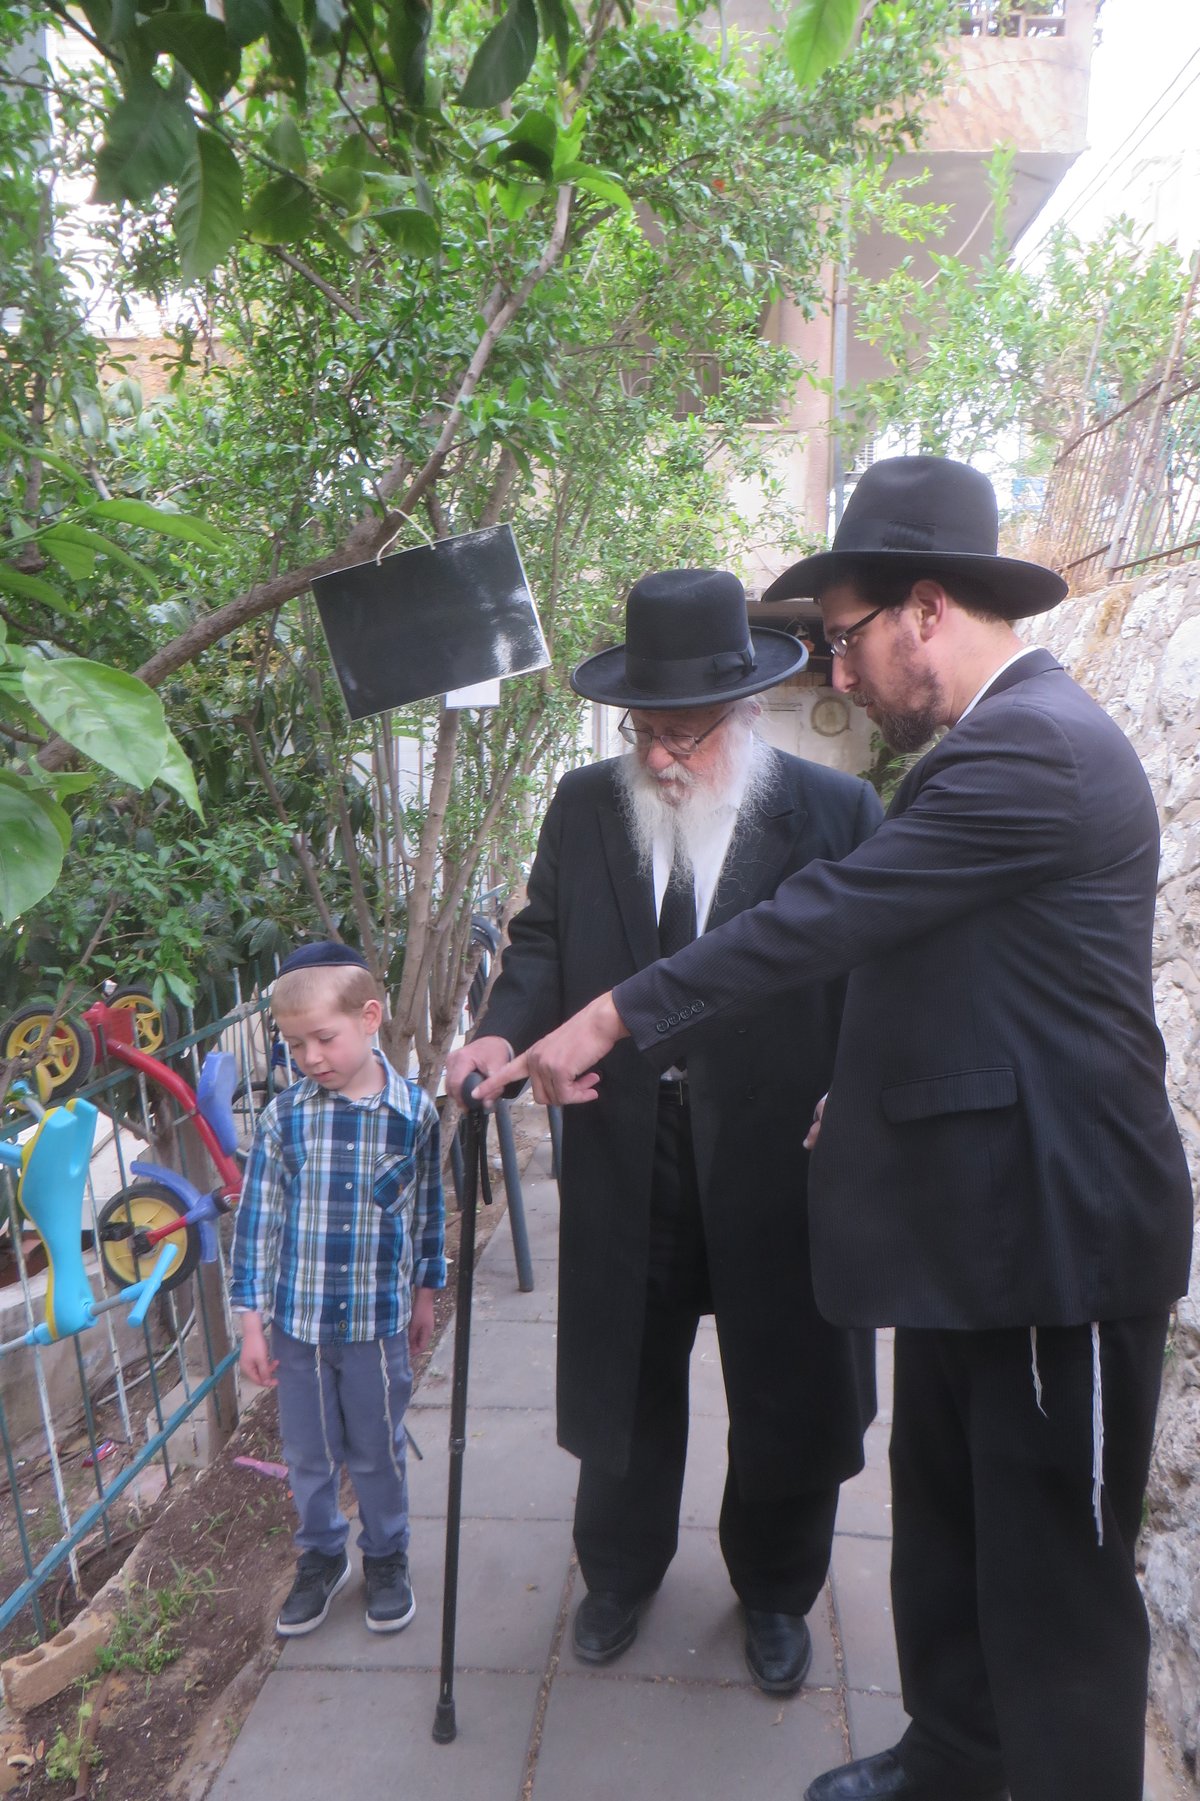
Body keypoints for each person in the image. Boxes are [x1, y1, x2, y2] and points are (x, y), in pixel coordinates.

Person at [479, 459, 1194, 1801]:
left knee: (1052, 1587)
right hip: (961, 1228)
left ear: (927, 609)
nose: (840, 675)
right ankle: (953, 1759)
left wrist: (605, 1020)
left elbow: (831, 922)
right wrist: (850, 1080)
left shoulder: (1037, 747)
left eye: (845, 637)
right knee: (948, 1536)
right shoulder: (980, 745)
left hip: (1058, 1237)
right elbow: (936, 971)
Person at [448, 568, 882, 1695]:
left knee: (786, 1374)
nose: (659, 755)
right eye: (643, 730)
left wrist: (857, 1094)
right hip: (625, 1139)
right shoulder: (584, 803)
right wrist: (501, 1032)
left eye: (682, 734)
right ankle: (621, 1570)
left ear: (743, 715)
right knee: (624, 1374)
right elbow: (540, 938)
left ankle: (779, 1588)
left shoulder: (831, 815)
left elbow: (878, 980)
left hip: (779, 1152)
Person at [231, 942, 445, 1639]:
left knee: (377, 1449)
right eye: (295, 1044)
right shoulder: (285, 1118)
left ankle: (385, 1554)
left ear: (370, 1016)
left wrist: (424, 1294)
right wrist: (251, 1321)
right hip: (299, 1324)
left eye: (324, 1037)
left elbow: (428, 1213)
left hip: (378, 1326)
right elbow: (257, 1220)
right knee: (308, 1452)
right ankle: (322, 1554)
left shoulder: (411, 1114)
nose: (311, 1056)